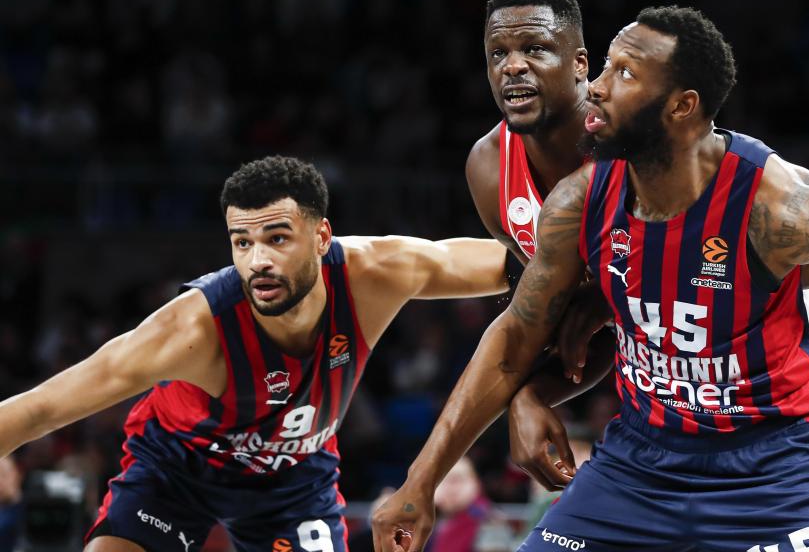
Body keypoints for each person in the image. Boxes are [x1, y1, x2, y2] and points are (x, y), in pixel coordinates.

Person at [373, 6, 809, 552]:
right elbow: (517, 336)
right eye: (605, 66)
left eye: (624, 73)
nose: (596, 87)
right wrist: (420, 482)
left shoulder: (779, 206)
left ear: (682, 106)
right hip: (643, 457)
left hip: (771, 458)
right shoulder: (575, 202)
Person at [0, 156, 510, 552]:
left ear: (322, 237)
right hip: (177, 474)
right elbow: (41, 408)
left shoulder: (376, 274)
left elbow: (525, 261)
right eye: (241, 242)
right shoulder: (190, 330)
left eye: (277, 238)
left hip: (293, 480)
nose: (258, 261)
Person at [470, 0, 809, 495]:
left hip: (779, 354)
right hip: (671, 364)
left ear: (579, 66)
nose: (514, 67)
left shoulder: (645, 140)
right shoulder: (493, 171)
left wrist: (609, 302)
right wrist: (530, 392)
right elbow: (580, 326)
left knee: (742, 510)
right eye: (498, 53)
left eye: (534, 49)